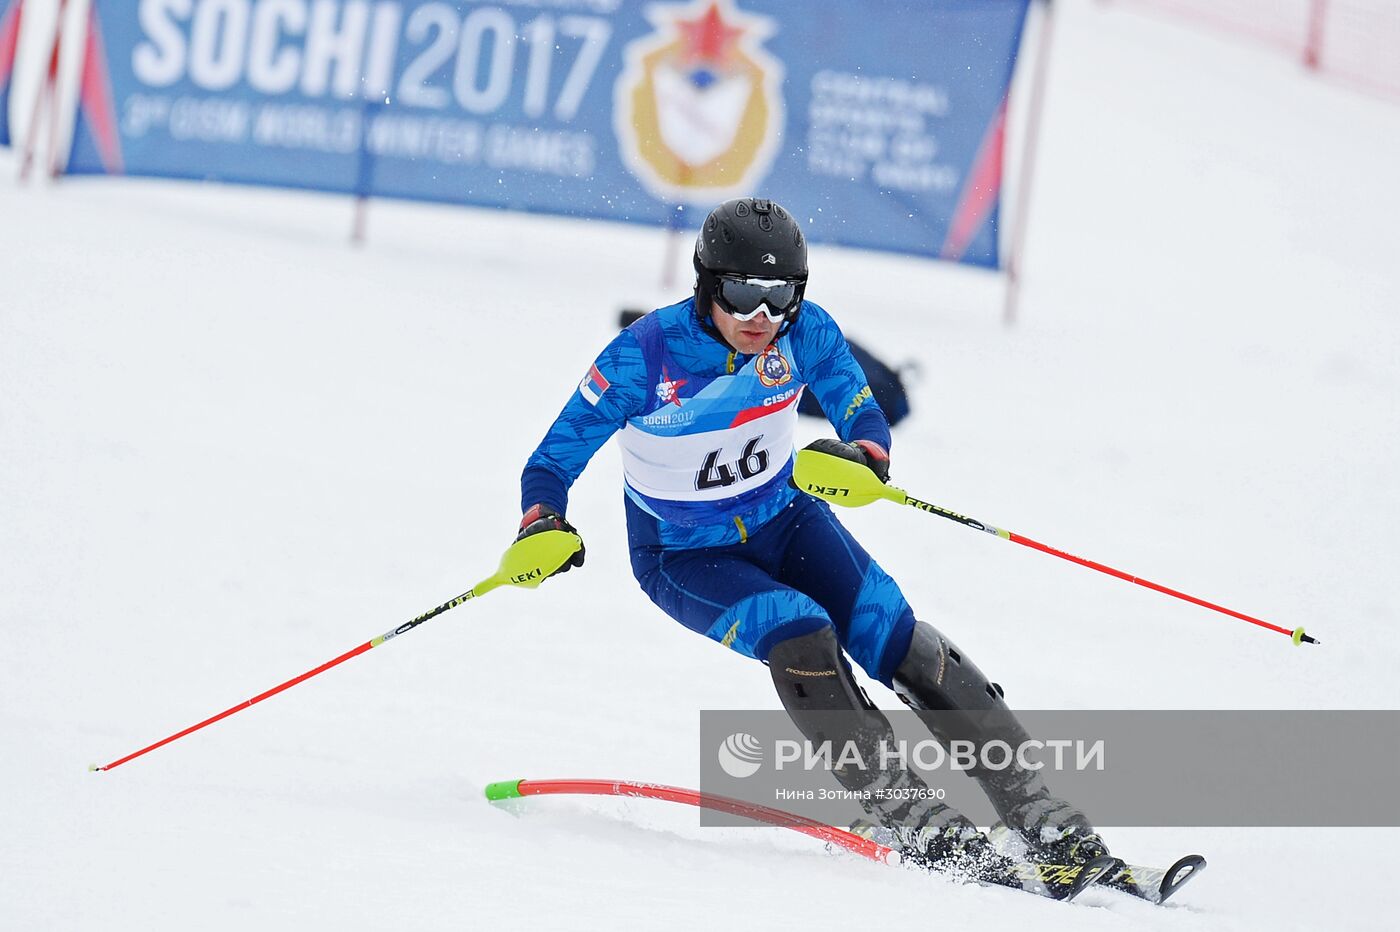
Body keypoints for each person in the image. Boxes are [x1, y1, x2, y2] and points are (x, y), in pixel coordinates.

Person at [514, 197, 1105, 876]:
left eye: (780, 298)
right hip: (683, 555)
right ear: (707, 284)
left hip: (787, 519)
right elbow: (550, 463)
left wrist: (867, 456)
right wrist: (542, 520)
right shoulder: (642, 356)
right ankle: (908, 816)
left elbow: (860, 409)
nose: (760, 318)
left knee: (896, 636)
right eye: (741, 295)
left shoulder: (806, 333)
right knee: (799, 631)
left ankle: (1040, 812)